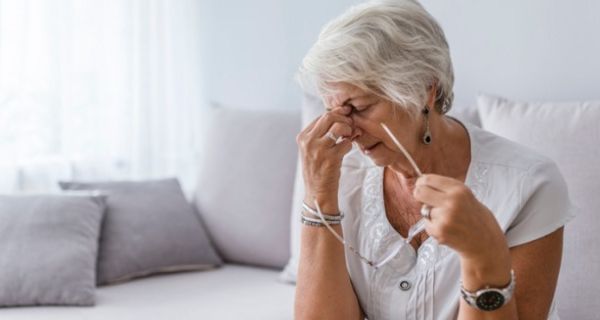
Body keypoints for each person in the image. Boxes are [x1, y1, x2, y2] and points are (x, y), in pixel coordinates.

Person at [294, 1, 574, 319]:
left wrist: (484, 255)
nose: (347, 132)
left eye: (358, 108)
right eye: (334, 111)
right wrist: (318, 198)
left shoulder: (529, 185)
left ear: (425, 90)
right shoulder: (336, 172)